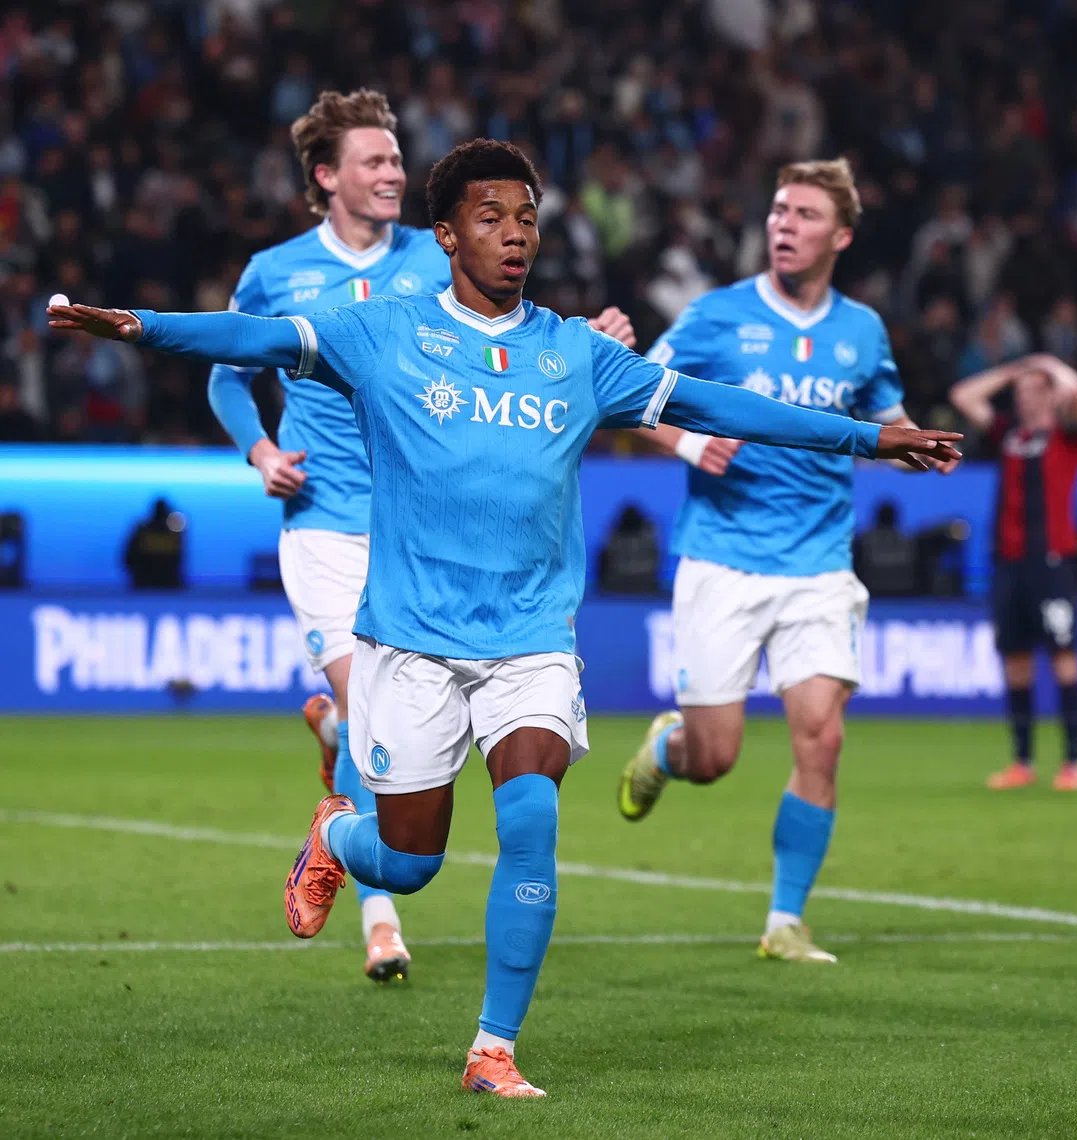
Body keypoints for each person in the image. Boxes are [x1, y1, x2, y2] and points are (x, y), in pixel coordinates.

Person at [48, 139, 960, 1098]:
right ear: (445, 235)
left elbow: (718, 402)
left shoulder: (575, 354)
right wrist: (139, 328)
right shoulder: (382, 331)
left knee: (531, 820)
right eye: (490, 218)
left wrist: (869, 438)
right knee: (407, 862)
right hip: (412, 642)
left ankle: (494, 1048)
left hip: (530, 641)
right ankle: (336, 839)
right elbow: (256, 341)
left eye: (526, 218)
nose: (514, 236)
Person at [206, 90, 634, 985]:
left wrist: (591, 347)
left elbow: (511, 348)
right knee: (369, 705)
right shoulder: (277, 269)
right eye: (373, 160)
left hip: (425, 533)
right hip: (326, 525)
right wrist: (258, 448)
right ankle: (380, 920)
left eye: (399, 159)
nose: (393, 172)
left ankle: (353, 829)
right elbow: (229, 373)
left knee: (380, 735)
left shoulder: (438, 255)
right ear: (327, 177)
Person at [617, 158, 958, 966]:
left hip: (819, 564)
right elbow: (630, 395)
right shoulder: (715, 317)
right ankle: (670, 750)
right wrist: (691, 441)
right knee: (717, 758)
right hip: (724, 561)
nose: (784, 225)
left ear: (839, 235)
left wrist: (919, 448)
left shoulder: (862, 331)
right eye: (777, 211)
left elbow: (886, 420)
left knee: (823, 740)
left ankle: (784, 921)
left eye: (804, 214)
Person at [950, 353, 1077, 791]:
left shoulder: (1067, 435)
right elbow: (963, 395)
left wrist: (1048, 364)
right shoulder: (1010, 434)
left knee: (1064, 658)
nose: (1024, 397)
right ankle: (1023, 762)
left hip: (1052, 564)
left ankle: (1073, 763)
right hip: (1009, 564)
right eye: (1021, 391)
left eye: (1034, 389)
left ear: (1052, 393)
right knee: (1016, 661)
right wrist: (1013, 371)